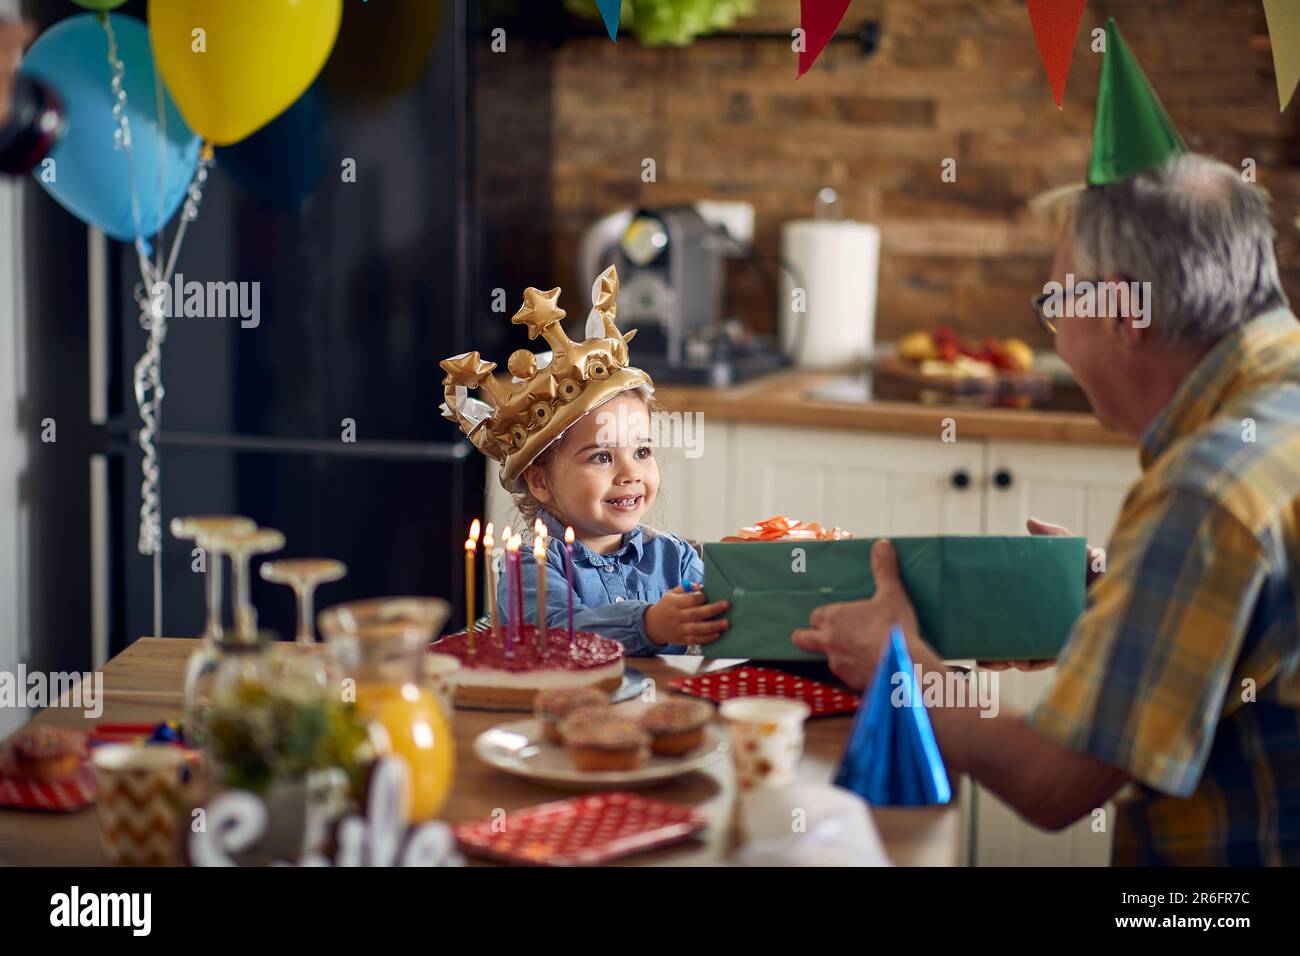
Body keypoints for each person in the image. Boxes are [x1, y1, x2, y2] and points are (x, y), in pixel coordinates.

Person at [794, 21, 1300, 866]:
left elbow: (1053, 783)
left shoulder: (1205, 491)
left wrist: (898, 664)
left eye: (1057, 303)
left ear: (1125, 311)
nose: (1057, 333)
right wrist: (1124, 591)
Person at [440, 267, 730, 656]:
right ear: (540, 482)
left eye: (642, 452)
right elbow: (560, 638)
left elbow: (728, 621)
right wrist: (649, 624)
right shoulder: (529, 568)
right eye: (602, 457)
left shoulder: (674, 557)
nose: (630, 473)